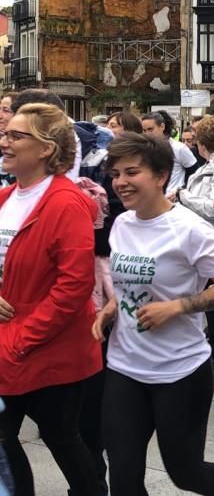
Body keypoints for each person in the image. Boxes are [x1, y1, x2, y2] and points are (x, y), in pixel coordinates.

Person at [90, 133, 214, 496]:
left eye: (131, 172)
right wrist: (112, 306)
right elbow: (130, 281)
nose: (121, 182)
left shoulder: (190, 229)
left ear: (160, 176)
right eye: (116, 173)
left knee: (185, 472)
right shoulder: (122, 224)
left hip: (180, 371)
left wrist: (179, 306)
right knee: (123, 477)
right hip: (125, 369)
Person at [0, 104, 105, 496]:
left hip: (52, 349)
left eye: (15, 136)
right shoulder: (6, 196)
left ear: (45, 148)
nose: (4, 142)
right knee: (8, 438)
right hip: (11, 345)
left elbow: (73, 287)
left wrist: (21, 340)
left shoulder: (66, 203)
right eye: (6, 134)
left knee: (61, 437)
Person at [171, 115, 214, 235]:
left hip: (212, 237)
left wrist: (182, 195)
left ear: (203, 145)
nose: (195, 144)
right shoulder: (212, 165)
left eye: (197, 141)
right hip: (200, 235)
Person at [141, 111, 195, 194]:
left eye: (150, 129)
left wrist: (181, 191)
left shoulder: (179, 148)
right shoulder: (142, 149)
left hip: (174, 200)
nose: (147, 134)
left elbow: (194, 173)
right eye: (144, 131)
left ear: (162, 126)